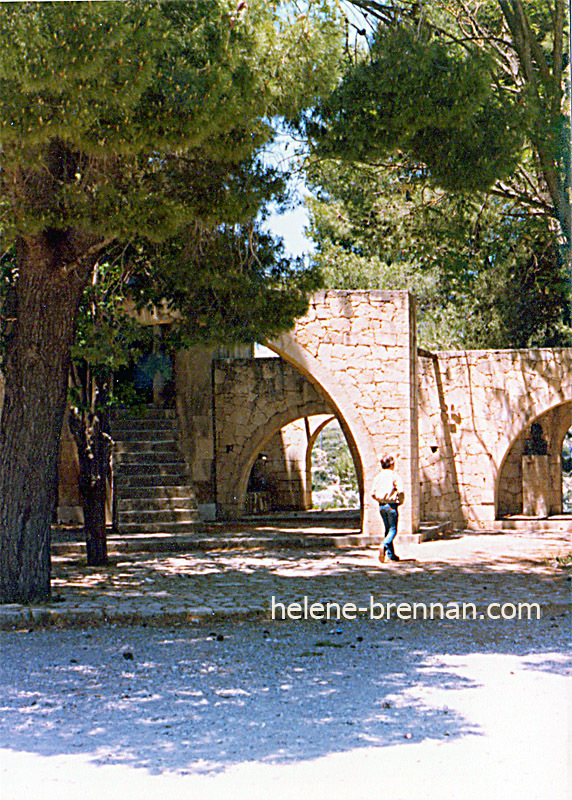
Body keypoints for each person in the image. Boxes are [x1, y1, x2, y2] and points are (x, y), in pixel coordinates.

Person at [371, 455, 405, 563]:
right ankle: (384, 545)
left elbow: (372, 493)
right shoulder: (394, 476)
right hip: (391, 505)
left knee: (387, 529)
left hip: (381, 506)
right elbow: (400, 491)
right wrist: (400, 501)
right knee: (393, 529)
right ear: (391, 464)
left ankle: (391, 555)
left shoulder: (377, 477)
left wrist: (379, 500)